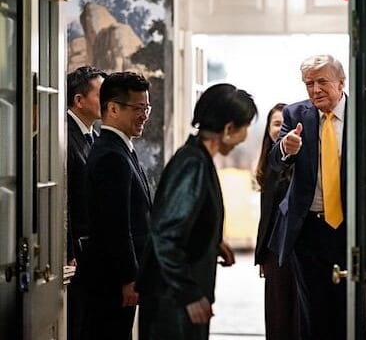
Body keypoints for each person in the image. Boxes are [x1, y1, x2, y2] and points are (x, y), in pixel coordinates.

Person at [136, 83, 258, 340]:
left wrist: (213, 241)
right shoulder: (192, 163)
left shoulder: (199, 158)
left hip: (176, 297)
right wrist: (189, 293)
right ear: (228, 129)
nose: (244, 136)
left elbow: (187, 221)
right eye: (245, 127)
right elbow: (165, 236)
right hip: (172, 301)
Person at [268, 54, 348, 340]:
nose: (315, 90)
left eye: (322, 82)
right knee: (312, 310)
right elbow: (275, 162)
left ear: (341, 82)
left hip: (349, 229)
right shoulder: (295, 114)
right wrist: (286, 149)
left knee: (347, 307)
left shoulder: (365, 114)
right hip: (307, 229)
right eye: (309, 83)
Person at [82, 71, 153, 340]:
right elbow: (116, 225)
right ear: (112, 108)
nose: (144, 115)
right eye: (138, 108)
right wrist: (129, 278)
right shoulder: (110, 155)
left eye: (146, 107)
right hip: (111, 281)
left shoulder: (123, 150)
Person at [65, 65, 106, 340]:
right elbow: (63, 202)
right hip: (73, 256)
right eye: (101, 95)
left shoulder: (93, 136)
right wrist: (68, 251)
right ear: (79, 100)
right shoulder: (63, 137)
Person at [255, 103, 299, 340]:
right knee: (277, 316)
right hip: (273, 252)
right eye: (276, 124)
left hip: (293, 248)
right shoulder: (266, 167)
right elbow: (266, 217)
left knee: (294, 316)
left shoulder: (298, 160)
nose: (281, 129)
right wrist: (261, 255)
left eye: (285, 124)